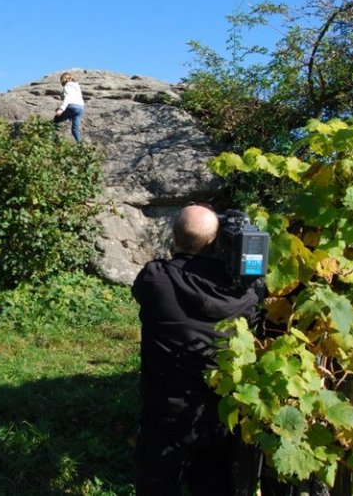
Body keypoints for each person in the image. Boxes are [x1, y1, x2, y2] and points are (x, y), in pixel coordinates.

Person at [132, 203, 261, 496]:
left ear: (173, 238)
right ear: (218, 242)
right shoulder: (242, 295)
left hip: (164, 415)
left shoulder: (155, 280)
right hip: (216, 416)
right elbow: (255, 303)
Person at [54, 72, 85, 142]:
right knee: (75, 130)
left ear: (63, 79)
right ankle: (81, 147)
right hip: (80, 108)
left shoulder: (67, 86)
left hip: (72, 106)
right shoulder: (77, 86)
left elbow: (68, 97)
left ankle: (53, 140)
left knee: (55, 120)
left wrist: (61, 109)